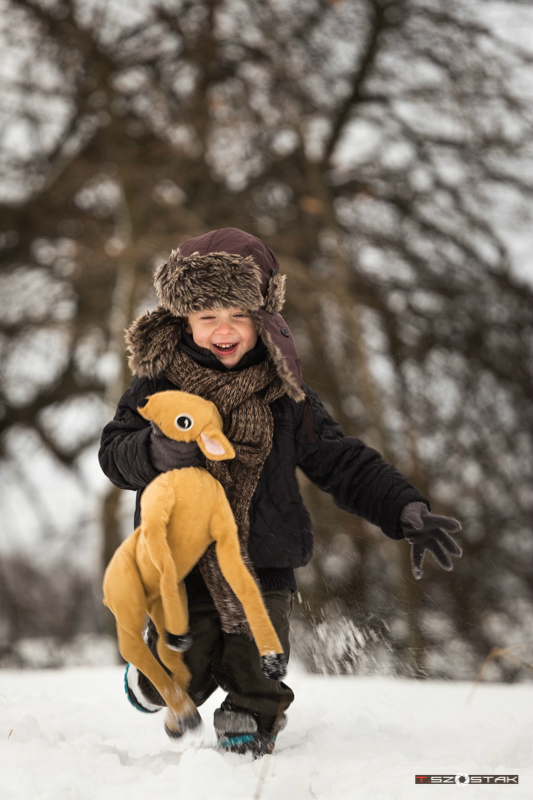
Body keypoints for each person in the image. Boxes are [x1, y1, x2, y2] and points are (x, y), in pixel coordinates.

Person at [99, 227, 462, 757]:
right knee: (185, 664)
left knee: (258, 663)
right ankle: (153, 682)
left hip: (261, 559)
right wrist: (152, 453)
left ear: (263, 319)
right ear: (182, 321)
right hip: (179, 561)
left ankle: (250, 719)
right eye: (207, 317)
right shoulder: (154, 385)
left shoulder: (286, 396)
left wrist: (404, 508)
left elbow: (342, 461)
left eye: (239, 315)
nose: (224, 330)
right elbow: (114, 452)